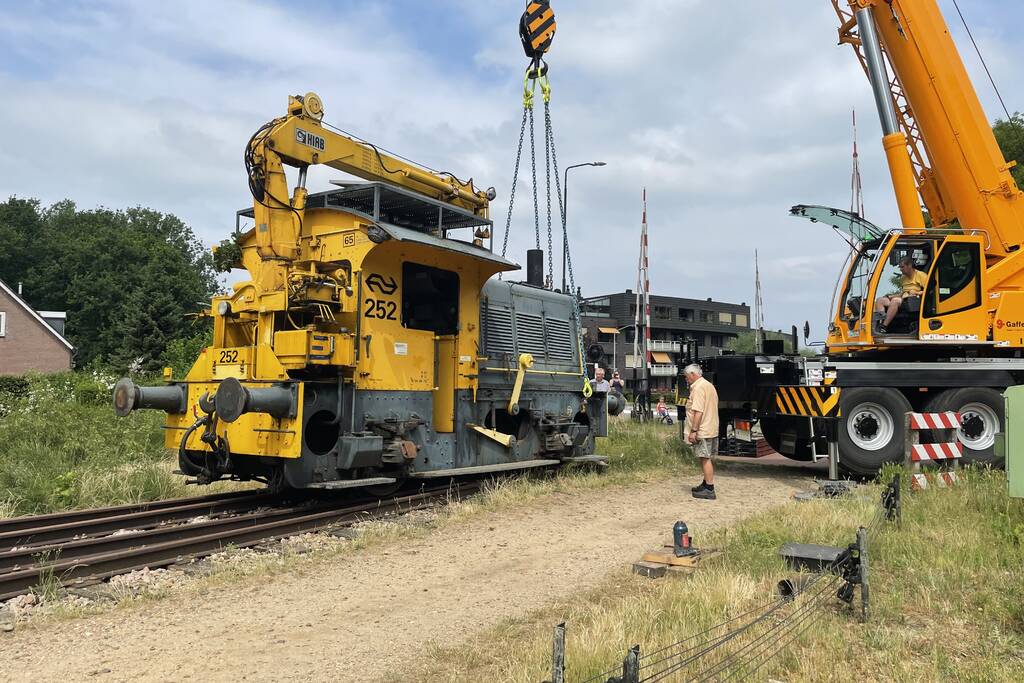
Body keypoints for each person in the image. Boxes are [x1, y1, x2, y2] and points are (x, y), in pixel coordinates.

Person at [683, 364, 720, 500]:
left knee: (704, 458)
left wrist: (694, 430)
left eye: (687, 377)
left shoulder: (698, 388)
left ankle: (709, 488)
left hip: (702, 429)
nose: (686, 380)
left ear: (693, 374)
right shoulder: (709, 385)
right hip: (711, 426)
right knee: (706, 457)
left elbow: (698, 411)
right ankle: (705, 483)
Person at [873, 256, 927, 334]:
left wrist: (917, 292)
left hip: (913, 301)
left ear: (910, 266)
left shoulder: (921, 275)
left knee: (895, 301)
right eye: (900, 267)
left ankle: (884, 327)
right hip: (903, 300)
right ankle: (879, 323)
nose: (900, 269)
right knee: (880, 300)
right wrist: (890, 296)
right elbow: (903, 293)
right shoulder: (903, 278)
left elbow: (929, 291)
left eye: (902, 267)